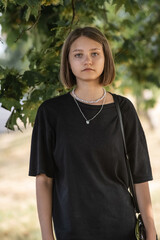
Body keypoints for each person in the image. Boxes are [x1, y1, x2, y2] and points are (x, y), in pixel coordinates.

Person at [29, 27, 157, 240]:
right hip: (71, 230)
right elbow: (44, 180)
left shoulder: (124, 109)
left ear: (105, 58)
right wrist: (46, 236)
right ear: (68, 62)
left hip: (121, 228)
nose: (87, 60)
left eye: (94, 53)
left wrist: (151, 233)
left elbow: (140, 177)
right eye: (78, 55)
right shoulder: (50, 112)